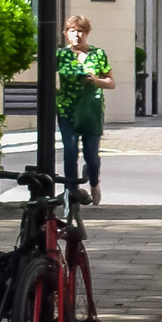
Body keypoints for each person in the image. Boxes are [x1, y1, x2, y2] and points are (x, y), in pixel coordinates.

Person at [56, 13, 114, 204]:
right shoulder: (61, 55)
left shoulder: (98, 54)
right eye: (73, 31)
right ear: (66, 34)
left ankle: (94, 182)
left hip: (90, 110)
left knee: (91, 155)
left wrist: (95, 80)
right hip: (67, 110)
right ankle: (71, 190)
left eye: (81, 31)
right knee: (70, 151)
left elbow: (111, 82)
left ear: (87, 33)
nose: (77, 35)